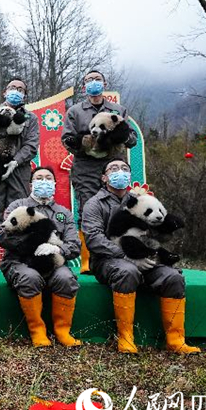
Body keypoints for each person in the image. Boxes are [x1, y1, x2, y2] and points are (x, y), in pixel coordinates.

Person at [83, 159, 200, 354]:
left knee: (173, 277)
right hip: (108, 260)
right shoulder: (94, 204)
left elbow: (156, 227)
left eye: (124, 169)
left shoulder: (144, 201)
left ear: (130, 176)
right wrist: (126, 254)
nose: (119, 172)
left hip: (145, 255)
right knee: (127, 271)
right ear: (104, 177)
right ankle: (126, 336)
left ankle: (175, 339)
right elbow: (93, 238)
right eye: (113, 169)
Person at [61, 70, 137, 272]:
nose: (93, 83)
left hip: (113, 163)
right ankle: (88, 259)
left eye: (97, 79)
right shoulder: (75, 112)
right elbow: (67, 140)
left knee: (118, 209)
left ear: (104, 82)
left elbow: (132, 139)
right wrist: (86, 143)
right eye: (88, 80)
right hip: (85, 167)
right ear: (83, 85)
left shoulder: (118, 110)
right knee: (87, 209)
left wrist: (116, 137)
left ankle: (122, 252)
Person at [0, 167, 82, 348]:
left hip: (53, 262)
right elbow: (3, 236)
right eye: (39, 178)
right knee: (30, 277)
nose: (44, 181)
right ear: (31, 185)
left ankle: (62, 331)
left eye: (48, 178)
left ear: (54, 184)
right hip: (20, 261)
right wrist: (32, 244)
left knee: (66, 278)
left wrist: (57, 248)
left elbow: (74, 245)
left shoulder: (63, 213)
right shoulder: (17, 206)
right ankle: (37, 331)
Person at [0, 79, 39, 272]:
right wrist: (6, 125)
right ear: (5, 92)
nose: (16, 92)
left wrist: (16, 161)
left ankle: (15, 257)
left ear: (25, 95)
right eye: (13, 88)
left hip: (19, 171)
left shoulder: (30, 118)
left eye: (21, 89)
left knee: (18, 212)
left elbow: (31, 145)